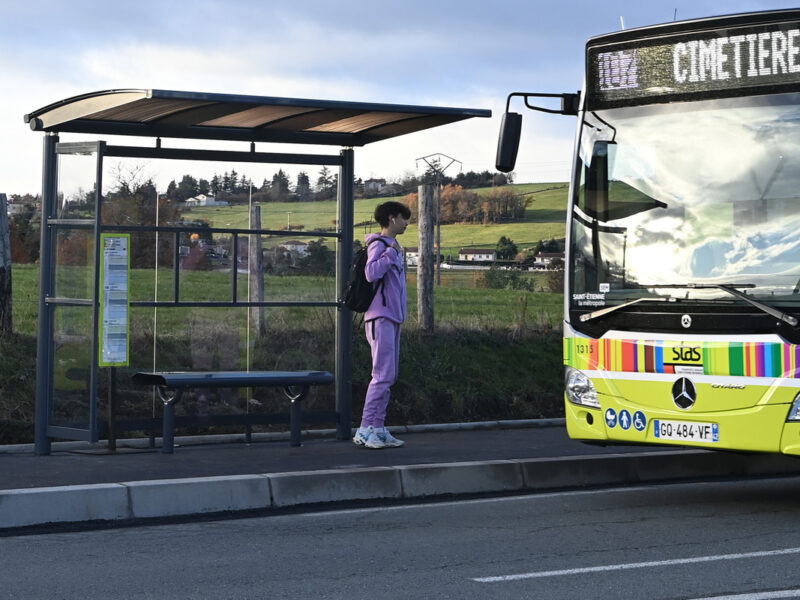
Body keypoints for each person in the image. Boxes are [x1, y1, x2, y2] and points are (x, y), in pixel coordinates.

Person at [353, 201, 411, 449]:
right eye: (404, 218)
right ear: (391, 218)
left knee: (389, 375)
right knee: (381, 375)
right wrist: (390, 254)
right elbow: (371, 272)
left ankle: (378, 426)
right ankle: (365, 429)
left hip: (392, 317)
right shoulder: (379, 244)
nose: (407, 222)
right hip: (380, 317)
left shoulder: (393, 246)